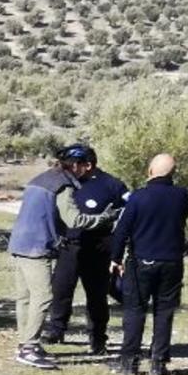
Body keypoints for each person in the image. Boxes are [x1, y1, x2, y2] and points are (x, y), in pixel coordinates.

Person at [6, 150, 121, 370]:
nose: (87, 173)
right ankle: (29, 348)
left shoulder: (39, 179)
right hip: (37, 246)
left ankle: (25, 341)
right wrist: (105, 218)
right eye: (85, 167)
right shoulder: (63, 185)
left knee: (25, 297)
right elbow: (74, 219)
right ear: (78, 166)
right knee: (43, 296)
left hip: (19, 242)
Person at [38, 143, 128, 353]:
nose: (68, 168)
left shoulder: (112, 185)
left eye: (72, 164)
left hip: (99, 248)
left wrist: (120, 248)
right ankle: (56, 330)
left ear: (87, 165)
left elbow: (129, 211)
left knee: (97, 295)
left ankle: (98, 339)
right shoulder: (66, 182)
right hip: (69, 246)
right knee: (61, 290)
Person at [108, 153, 188, 375]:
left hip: (142, 261)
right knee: (164, 312)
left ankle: (129, 362)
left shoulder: (138, 197)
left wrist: (115, 258)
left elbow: (122, 230)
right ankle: (158, 363)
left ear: (150, 171)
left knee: (134, 310)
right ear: (173, 173)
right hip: (172, 262)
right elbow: (182, 219)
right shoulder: (181, 196)